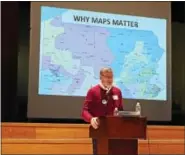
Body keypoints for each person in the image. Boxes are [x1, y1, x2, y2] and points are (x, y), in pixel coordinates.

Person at [81, 67, 124, 155]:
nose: (109, 80)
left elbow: (121, 110)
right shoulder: (93, 91)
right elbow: (84, 111)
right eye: (107, 77)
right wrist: (91, 119)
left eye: (111, 77)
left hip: (115, 131)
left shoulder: (117, 91)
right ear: (101, 77)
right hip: (99, 131)